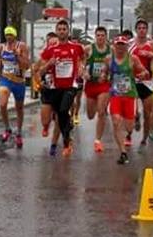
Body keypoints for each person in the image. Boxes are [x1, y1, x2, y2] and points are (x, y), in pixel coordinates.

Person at [37, 20, 84, 157]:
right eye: (60, 29)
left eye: (64, 29)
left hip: (70, 86)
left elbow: (83, 57)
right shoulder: (50, 50)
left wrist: (81, 67)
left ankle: (66, 141)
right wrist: (48, 65)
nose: (62, 31)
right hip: (54, 88)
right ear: (57, 32)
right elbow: (39, 71)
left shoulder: (76, 47)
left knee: (63, 110)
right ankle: (66, 136)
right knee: (59, 116)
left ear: (68, 31)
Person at [107, 34, 149, 164]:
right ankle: (123, 152)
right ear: (114, 46)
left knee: (129, 127)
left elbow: (145, 72)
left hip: (130, 95)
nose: (120, 48)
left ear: (126, 47)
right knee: (116, 121)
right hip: (115, 95)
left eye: (122, 45)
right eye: (118, 45)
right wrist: (103, 76)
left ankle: (135, 118)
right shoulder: (109, 60)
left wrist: (142, 74)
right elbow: (104, 72)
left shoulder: (132, 59)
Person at [129, 20, 153, 146]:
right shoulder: (130, 45)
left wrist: (152, 56)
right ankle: (132, 127)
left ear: (147, 30)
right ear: (136, 30)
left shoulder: (152, 44)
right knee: (132, 112)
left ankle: (144, 138)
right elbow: (123, 60)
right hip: (133, 81)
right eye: (139, 28)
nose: (142, 30)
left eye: (144, 28)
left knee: (148, 114)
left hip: (148, 83)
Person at [0, 26, 29, 148]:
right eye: (7, 35)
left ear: (15, 36)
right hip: (6, 80)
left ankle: (19, 133)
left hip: (19, 82)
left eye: (11, 35)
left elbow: (27, 65)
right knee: (3, 104)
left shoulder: (22, 46)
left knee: (19, 108)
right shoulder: (2, 47)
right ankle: (7, 128)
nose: (8, 37)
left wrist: (17, 56)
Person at [83, 26, 112, 153]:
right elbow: (81, 63)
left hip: (104, 85)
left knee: (101, 112)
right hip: (91, 84)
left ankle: (98, 141)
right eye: (98, 35)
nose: (100, 38)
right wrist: (84, 72)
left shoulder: (111, 51)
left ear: (106, 37)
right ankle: (96, 110)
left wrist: (107, 74)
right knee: (90, 115)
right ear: (95, 37)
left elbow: (116, 66)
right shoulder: (89, 49)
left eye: (102, 35)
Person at [39, 32, 60, 141]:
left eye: (55, 44)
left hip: (61, 89)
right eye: (50, 44)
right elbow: (40, 72)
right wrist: (48, 64)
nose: (52, 46)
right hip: (47, 88)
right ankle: (46, 126)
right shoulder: (44, 56)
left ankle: (60, 138)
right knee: (45, 120)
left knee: (60, 116)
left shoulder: (64, 53)